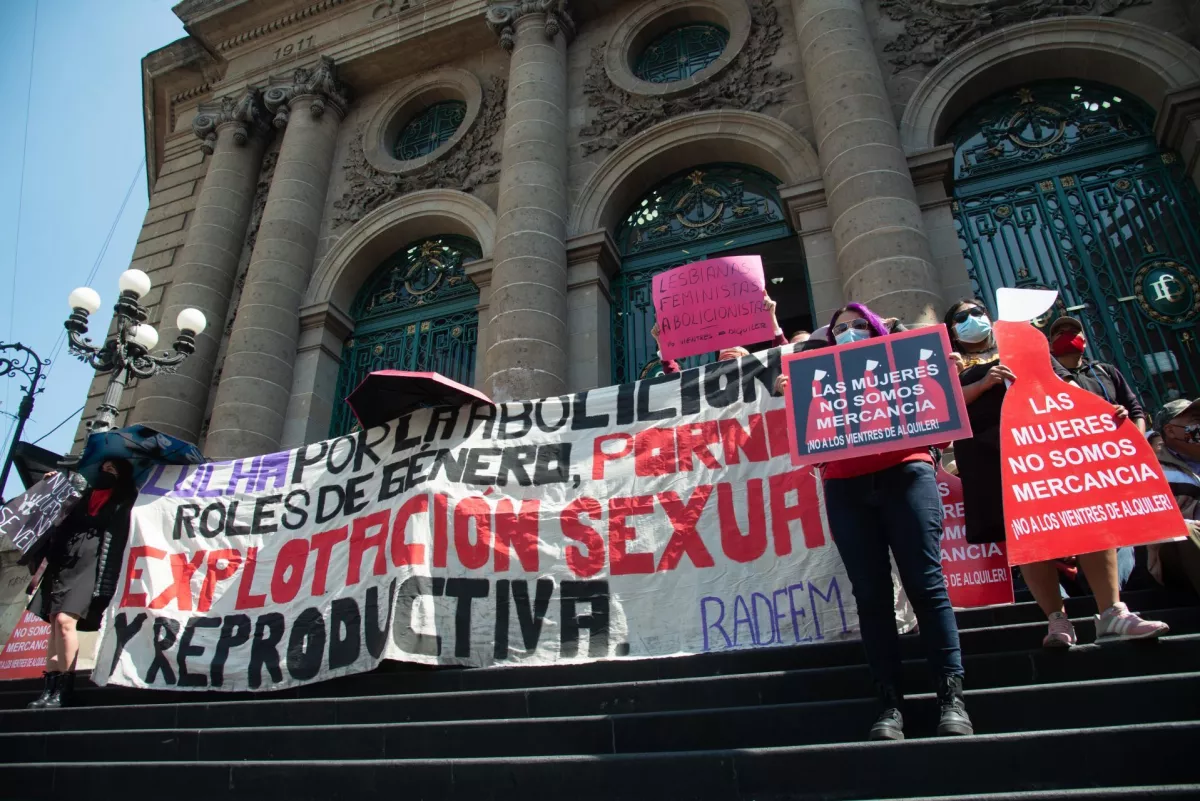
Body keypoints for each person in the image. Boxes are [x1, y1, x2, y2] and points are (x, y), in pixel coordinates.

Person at [779, 303, 971, 741]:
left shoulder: (909, 362)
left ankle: (951, 699)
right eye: (840, 329)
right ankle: (889, 706)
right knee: (870, 595)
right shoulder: (816, 374)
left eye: (859, 325)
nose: (849, 333)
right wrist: (793, 392)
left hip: (907, 473)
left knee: (926, 584)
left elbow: (939, 421)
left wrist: (946, 377)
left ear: (878, 328)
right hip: (845, 485)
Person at [946, 301, 1167, 648]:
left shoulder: (1024, 344)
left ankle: (1112, 612)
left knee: (1090, 523)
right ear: (951, 329)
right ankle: (1056, 619)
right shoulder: (949, 364)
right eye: (961, 317)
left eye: (977, 312)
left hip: (1049, 452)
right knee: (1029, 538)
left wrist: (1100, 411)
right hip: (995, 461)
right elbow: (941, 411)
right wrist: (982, 384)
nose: (972, 320)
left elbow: (1065, 386)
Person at [25, 458, 138, 709]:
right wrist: (52, 484)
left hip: (92, 561)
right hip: (65, 560)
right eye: (103, 467)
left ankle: (65, 687)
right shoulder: (82, 496)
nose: (105, 471)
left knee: (66, 621)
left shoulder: (124, 500)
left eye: (112, 469)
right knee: (55, 623)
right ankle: (50, 689)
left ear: (122, 475)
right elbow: (57, 512)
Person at [1048, 316, 1147, 433]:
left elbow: (1135, 410)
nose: (1068, 336)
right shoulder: (1048, 378)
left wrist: (1140, 444)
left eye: (1073, 333)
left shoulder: (1106, 370)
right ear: (1050, 346)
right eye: (1061, 333)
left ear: (1084, 342)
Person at [652, 293, 787, 375]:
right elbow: (676, 381)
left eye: (734, 360)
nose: (730, 365)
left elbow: (782, 357)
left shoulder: (762, 384)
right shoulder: (711, 387)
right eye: (725, 361)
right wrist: (662, 343)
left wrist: (771, 318)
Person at [1147, 399, 1200, 593]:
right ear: (1170, 431)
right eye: (1196, 420)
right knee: (1185, 529)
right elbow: (1151, 520)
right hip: (1180, 555)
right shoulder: (1153, 471)